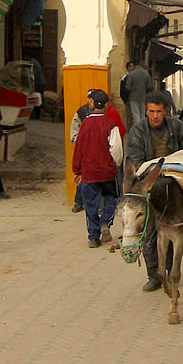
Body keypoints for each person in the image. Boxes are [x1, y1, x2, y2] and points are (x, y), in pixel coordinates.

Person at [126, 90, 183, 291]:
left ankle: (169, 268)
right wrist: (153, 175)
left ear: (165, 111)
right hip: (148, 185)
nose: (155, 116)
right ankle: (154, 275)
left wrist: (177, 165)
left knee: (176, 225)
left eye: (159, 111)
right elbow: (135, 160)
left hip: (174, 181)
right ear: (146, 111)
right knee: (149, 232)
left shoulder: (176, 126)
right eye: (151, 111)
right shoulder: (138, 132)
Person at [72, 89, 123, 248]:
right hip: (107, 172)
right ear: (107, 105)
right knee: (111, 198)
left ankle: (93, 237)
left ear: (92, 103)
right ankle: (105, 222)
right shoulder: (110, 124)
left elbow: (78, 148)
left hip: (89, 173)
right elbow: (116, 148)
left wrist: (77, 170)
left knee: (90, 205)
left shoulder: (85, 124)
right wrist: (115, 164)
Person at [69, 89, 97, 213]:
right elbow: (74, 133)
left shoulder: (102, 113)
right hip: (85, 152)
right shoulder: (81, 113)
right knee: (83, 178)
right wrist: (82, 144)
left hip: (99, 152)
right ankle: (78, 202)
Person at [125, 62, 152, 126]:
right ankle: (143, 130)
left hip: (133, 97)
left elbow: (128, 87)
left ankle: (138, 131)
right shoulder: (146, 73)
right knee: (142, 115)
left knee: (136, 115)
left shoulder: (131, 74)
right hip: (143, 97)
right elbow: (149, 86)